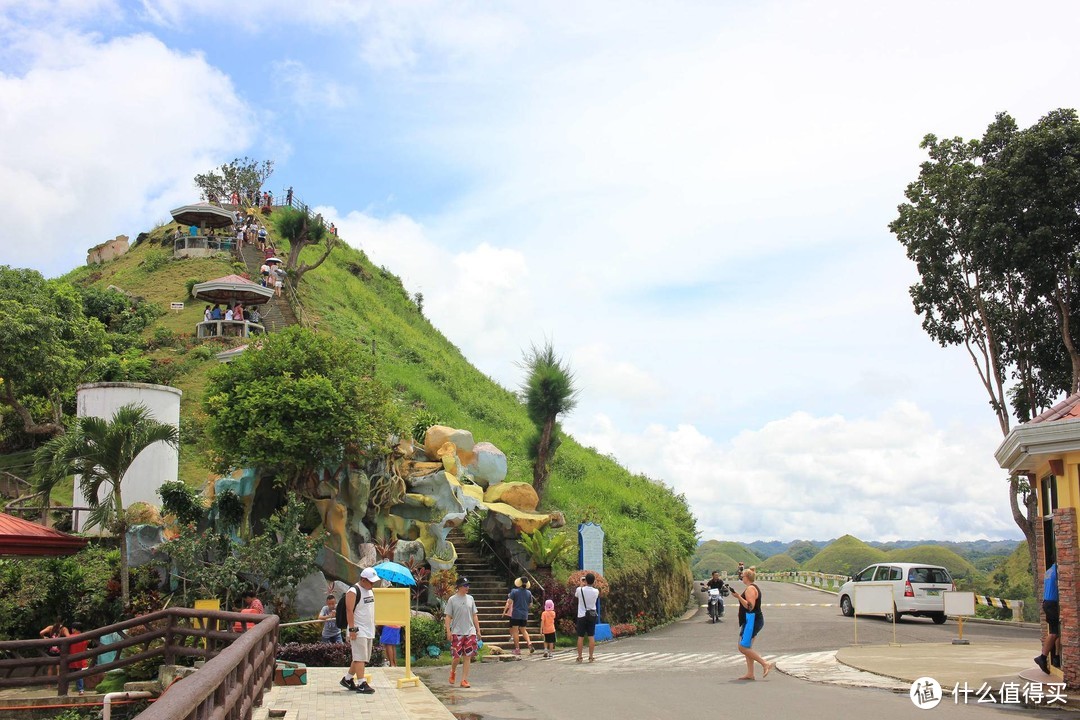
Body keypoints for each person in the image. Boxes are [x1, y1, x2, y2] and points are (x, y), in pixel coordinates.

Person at [340, 567, 378, 695]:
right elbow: (349, 611)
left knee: (361, 657)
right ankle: (361, 683)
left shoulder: (370, 591)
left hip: (368, 629)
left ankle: (348, 679)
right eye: (370, 582)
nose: (372, 584)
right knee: (360, 657)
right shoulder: (353, 591)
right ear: (363, 579)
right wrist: (352, 629)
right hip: (358, 629)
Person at [730, 568, 771, 680]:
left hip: (752, 619)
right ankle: (750, 673)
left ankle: (764, 664)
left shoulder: (750, 589)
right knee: (747, 646)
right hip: (751, 619)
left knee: (742, 647)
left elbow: (750, 606)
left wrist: (738, 597)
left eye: (743, 576)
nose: (741, 577)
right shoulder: (752, 587)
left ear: (747, 577)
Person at [444, 577, 481, 688]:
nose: (467, 588)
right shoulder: (452, 600)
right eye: (465, 586)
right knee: (456, 657)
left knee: (467, 656)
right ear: (459, 587)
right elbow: (448, 616)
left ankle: (464, 680)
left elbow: (474, 615)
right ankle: (453, 671)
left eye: (468, 585)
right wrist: (448, 631)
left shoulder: (470, 599)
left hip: (470, 631)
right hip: (457, 631)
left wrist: (478, 630)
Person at [1036, 562, 1059, 674]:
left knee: (1057, 632)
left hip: (1048, 602)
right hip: (1052, 604)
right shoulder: (1058, 570)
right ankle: (1043, 657)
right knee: (1054, 632)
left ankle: (1056, 657)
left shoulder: (1049, 570)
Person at [504, 576, 534, 655]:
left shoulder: (514, 591)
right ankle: (529, 643)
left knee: (515, 631)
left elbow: (510, 602)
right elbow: (530, 605)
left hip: (516, 614)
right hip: (524, 614)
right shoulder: (529, 593)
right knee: (524, 630)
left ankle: (517, 649)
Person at [576, 573, 600, 663]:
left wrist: (581, 584)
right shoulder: (596, 591)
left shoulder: (579, 590)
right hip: (592, 615)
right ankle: (590, 656)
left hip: (581, 615)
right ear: (594, 581)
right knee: (591, 636)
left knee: (580, 636)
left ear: (585, 580)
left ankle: (580, 657)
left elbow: (576, 595)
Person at [67, 626, 89, 694]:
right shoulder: (84, 638)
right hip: (80, 659)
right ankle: (81, 689)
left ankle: (65, 689)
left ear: (74, 629)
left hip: (71, 659)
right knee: (79, 675)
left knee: (66, 675)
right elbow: (85, 648)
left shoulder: (69, 637)